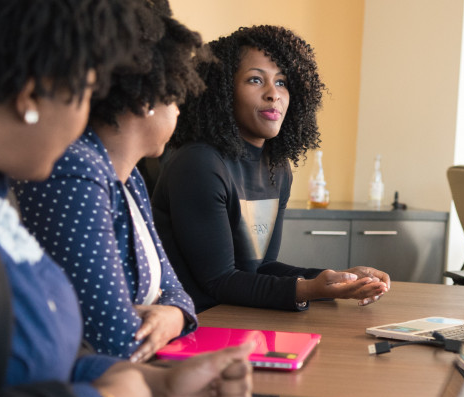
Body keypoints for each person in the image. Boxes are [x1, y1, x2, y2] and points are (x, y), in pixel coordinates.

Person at [0, 1, 252, 397]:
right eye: (86, 95)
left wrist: (157, 385)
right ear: (31, 95)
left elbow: (38, 348)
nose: (87, 122)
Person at [151, 25, 391, 313]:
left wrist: (339, 280)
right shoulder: (199, 164)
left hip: (240, 317)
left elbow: (261, 267)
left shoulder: (277, 168)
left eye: (282, 82)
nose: (273, 94)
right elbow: (218, 281)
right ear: (223, 91)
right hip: (196, 325)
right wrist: (309, 289)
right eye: (255, 80)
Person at [14, 3, 205, 363]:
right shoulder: (75, 168)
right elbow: (114, 338)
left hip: (139, 372)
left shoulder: (129, 175)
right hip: (105, 381)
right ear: (146, 97)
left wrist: (173, 316)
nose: (179, 111)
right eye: (175, 98)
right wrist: (164, 319)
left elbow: (176, 290)